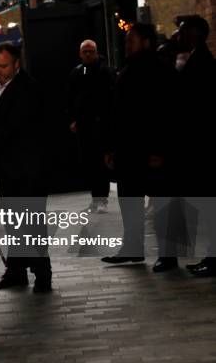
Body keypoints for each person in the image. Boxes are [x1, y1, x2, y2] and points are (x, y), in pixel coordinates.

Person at [101, 23, 177, 272]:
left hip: (149, 150)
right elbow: (117, 111)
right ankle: (132, 248)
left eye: (131, 40)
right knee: (129, 200)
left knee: (161, 203)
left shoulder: (159, 69)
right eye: (125, 41)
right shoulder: (127, 68)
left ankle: (168, 255)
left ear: (146, 41)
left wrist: (159, 150)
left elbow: (165, 113)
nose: (126, 44)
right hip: (127, 148)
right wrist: (112, 147)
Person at [0, 41, 52, 293]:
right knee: (13, 222)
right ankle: (17, 271)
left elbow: (8, 130)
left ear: (17, 64)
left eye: (4, 66)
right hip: (7, 171)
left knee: (32, 223)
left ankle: (42, 273)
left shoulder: (28, 90)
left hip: (28, 171)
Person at [176, 16, 216, 277]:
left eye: (182, 31)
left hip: (203, 145)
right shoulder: (197, 59)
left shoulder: (201, 63)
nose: (178, 35)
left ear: (194, 34)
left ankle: (213, 260)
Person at [67, 40, 114, 213]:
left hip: (100, 124)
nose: (88, 54)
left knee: (100, 163)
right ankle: (97, 198)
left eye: (90, 51)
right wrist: (73, 119)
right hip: (84, 125)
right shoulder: (78, 72)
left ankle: (101, 198)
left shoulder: (104, 72)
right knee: (89, 163)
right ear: (80, 53)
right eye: (85, 51)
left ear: (96, 52)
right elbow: (71, 98)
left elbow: (108, 99)